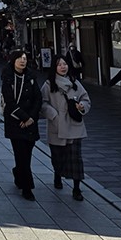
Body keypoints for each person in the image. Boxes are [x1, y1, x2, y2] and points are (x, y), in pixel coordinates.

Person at [41, 53, 91, 201]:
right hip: (57, 127)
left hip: (74, 126)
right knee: (58, 158)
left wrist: (83, 106)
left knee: (76, 159)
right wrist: (54, 115)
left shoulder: (75, 82)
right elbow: (43, 103)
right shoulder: (49, 85)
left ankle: (77, 189)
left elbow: (86, 98)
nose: (63, 67)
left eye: (65, 64)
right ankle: (58, 175)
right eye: (59, 64)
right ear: (54, 67)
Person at [0, 50, 42, 201]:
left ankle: (19, 173)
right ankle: (27, 188)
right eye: (19, 59)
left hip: (30, 122)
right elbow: (9, 102)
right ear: (13, 61)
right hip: (15, 121)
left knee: (27, 155)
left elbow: (38, 98)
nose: (22, 61)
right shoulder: (8, 78)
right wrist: (23, 117)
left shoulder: (31, 77)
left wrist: (31, 118)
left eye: (24, 59)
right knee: (20, 154)